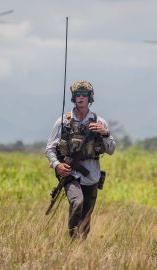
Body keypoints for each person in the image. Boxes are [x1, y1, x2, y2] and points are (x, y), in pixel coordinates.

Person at [45, 80, 116, 239]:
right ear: (73, 97)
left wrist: (105, 133)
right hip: (71, 174)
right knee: (77, 202)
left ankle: (79, 250)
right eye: (77, 94)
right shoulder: (63, 121)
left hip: (92, 177)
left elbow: (111, 149)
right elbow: (49, 148)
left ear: (90, 97)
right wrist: (57, 165)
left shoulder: (99, 122)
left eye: (84, 94)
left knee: (86, 218)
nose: (81, 97)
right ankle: (72, 240)